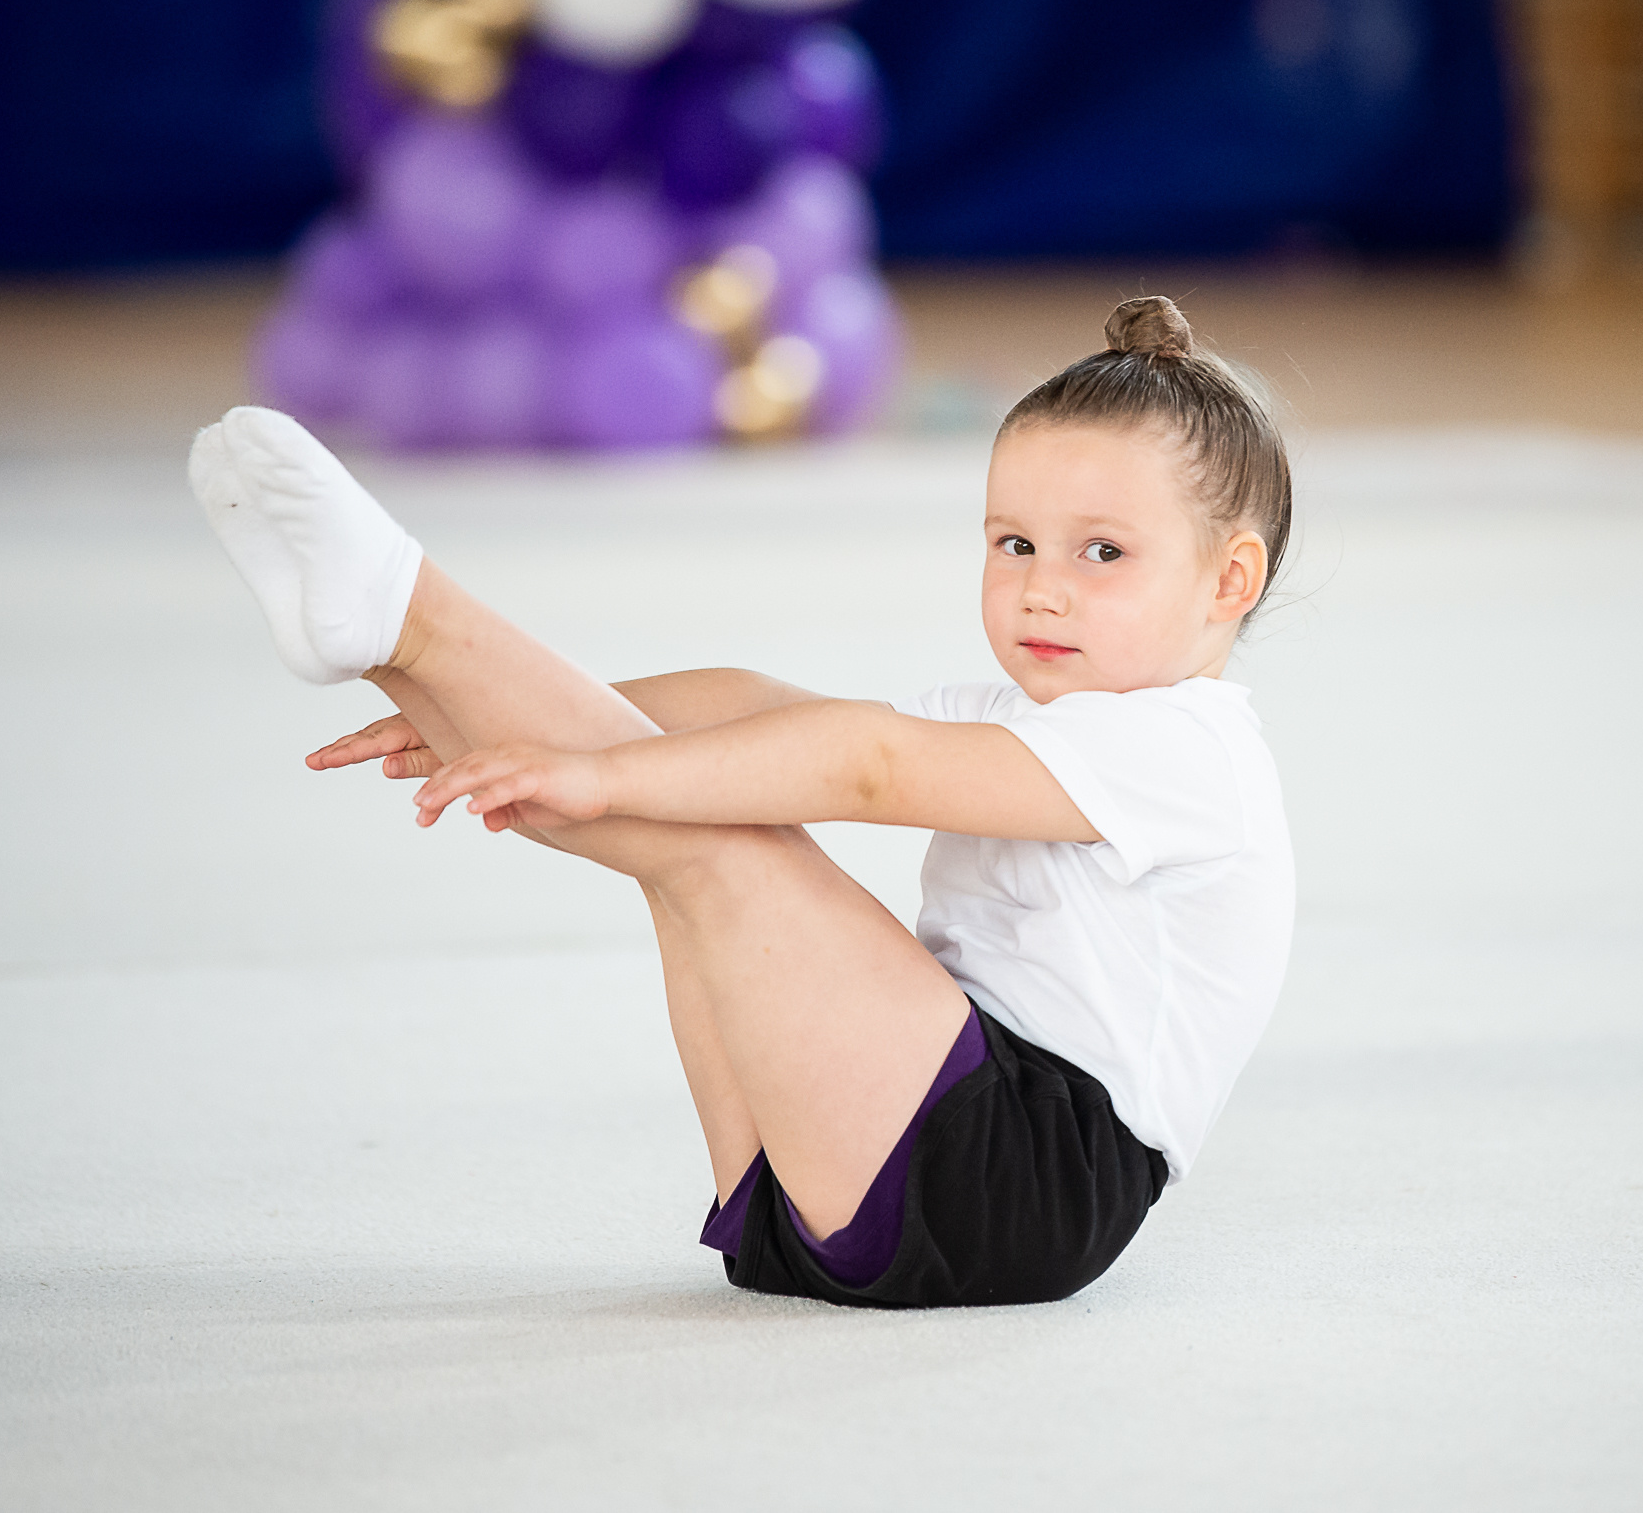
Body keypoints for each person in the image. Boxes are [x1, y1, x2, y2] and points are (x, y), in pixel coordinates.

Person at [189, 294, 1294, 1308]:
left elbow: (872, 764)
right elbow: (760, 707)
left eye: (1102, 551)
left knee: (712, 824)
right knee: (725, 771)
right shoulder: (1037, 715)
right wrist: (472, 718)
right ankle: (398, 650)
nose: (1041, 584)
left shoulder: (1188, 750)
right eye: (1014, 544)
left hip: (1022, 1181)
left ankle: (414, 618)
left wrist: (605, 773)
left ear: (1228, 581)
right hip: (836, 1168)